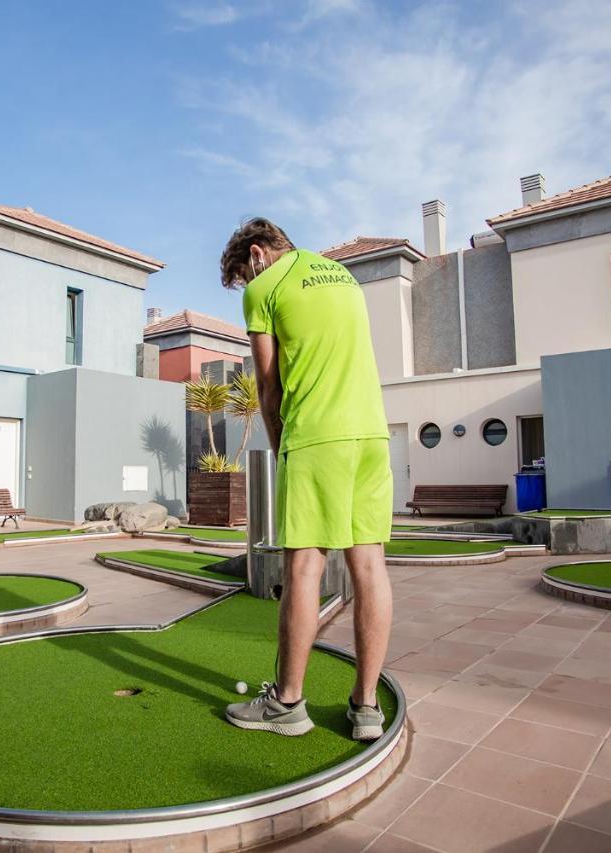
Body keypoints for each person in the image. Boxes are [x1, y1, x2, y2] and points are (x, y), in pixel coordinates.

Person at [219, 217, 393, 741]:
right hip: (371, 435)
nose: (243, 289)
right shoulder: (343, 276)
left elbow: (268, 385)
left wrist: (279, 447)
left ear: (255, 254)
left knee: (302, 570)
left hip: (317, 437)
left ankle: (286, 705)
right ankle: (365, 708)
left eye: (239, 278)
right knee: (370, 567)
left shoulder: (265, 287)